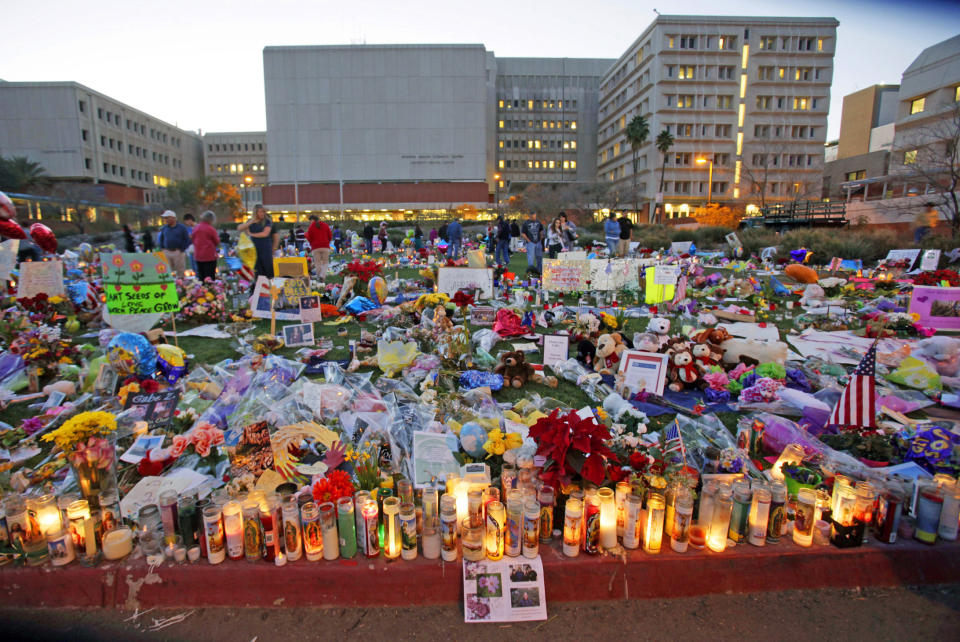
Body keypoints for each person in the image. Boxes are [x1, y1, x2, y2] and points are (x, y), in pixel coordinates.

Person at [237, 204, 274, 280]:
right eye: (260, 212)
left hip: (265, 249)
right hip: (255, 250)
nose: (262, 213)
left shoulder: (267, 221)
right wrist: (251, 222)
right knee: (258, 271)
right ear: (255, 213)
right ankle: (259, 288)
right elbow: (239, 228)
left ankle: (271, 287)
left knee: (268, 270)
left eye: (263, 212)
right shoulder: (250, 222)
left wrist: (251, 234)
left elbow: (265, 233)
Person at [157, 210, 190, 276]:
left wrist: (182, 249)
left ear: (173, 218)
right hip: (167, 252)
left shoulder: (182, 228)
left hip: (178, 252)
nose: (165, 220)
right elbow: (161, 238)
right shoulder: (164, 228)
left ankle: (181, 284)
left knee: (180, 270)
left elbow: (186, 239)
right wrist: (162, 248)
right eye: (165, 218)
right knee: (167, 271)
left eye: (167, 218)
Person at [191, 210, 220, 282]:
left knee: (201, 275)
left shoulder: (196, 228)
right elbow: (217, 241)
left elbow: (193, 239)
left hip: (198, 255)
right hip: (209, 256)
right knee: (210, 276)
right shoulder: (210, 229)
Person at [306, 215, 332, 281]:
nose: (310, 222)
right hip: (325, 246)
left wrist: (311, 241)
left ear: (312, 220)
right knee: (325, 262)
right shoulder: (325, 225)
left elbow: (309, 237)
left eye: (310, 220)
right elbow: (330, 235)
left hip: (315, 247)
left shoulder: (311, 227)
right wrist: (327, 242)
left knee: (317, 263)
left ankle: (318, 277)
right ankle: (322, 276)